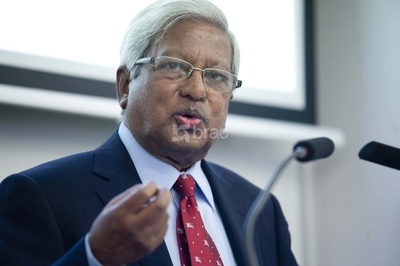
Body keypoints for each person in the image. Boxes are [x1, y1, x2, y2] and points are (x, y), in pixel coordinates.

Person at [0, 0, 298, 265]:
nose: (196, 91)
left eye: (217, 76)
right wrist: (95, 258)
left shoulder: (261, 210)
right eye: (174, 66)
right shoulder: (41, 195)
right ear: (125, 85)